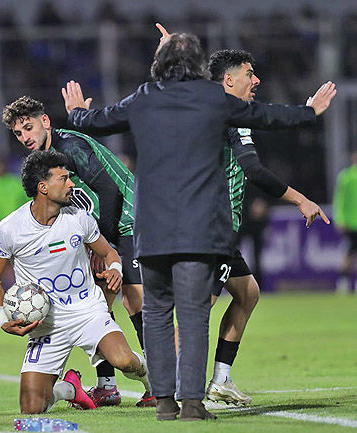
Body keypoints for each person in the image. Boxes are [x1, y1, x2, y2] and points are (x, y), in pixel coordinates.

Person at [62, 24, 336, 421]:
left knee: (157, 315)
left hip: (151, 229)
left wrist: (75, 111)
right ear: (199, 66)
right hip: (199, 228)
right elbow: (266, 116)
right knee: (193, 316)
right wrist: (309, 112)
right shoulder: (213, 99)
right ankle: (192, 404)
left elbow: (96, 121)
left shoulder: (145, 97)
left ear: (160, 64)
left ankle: (165, 403)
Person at [1, 96, 153, 407]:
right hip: (103, 226)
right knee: (97, 300)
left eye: (28, 127)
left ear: (45, 122)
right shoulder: (45, 162)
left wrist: (104, 245)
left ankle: (159, 381)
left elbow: (109, 190)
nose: (25, 137)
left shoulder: (69, 147)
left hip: (129, 219)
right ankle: (107, 385)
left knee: (133, 298)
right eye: (18, 133)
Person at [206, 49, 330, 406]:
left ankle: (220, 380)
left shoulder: (207, 108)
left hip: (214, 224)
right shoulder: (227, 115)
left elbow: (267, 118)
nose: (256, 80)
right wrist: (300, 199)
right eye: (249, 73)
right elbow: (254, 169)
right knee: (197, 310)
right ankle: (173, 390)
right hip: (211, 227)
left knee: (247, 293)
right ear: (228, 80)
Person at [333, 150, 357, 294]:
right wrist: (340, 219)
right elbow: (340, 200)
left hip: (351, 221)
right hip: (351, 223)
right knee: (349, 253)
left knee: (350, 253)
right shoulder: (346, 177)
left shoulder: (346, 176)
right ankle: (343, 282)